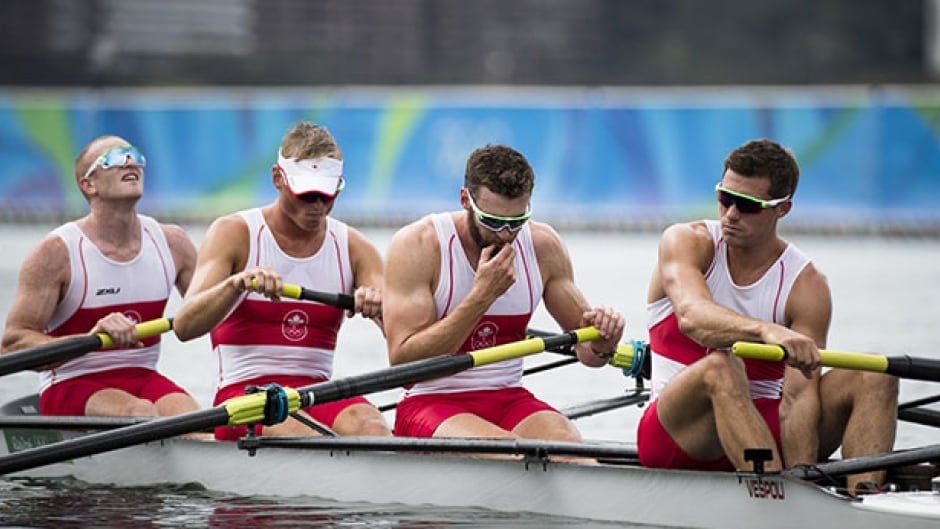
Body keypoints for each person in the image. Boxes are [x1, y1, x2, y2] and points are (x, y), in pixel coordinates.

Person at [637, 138, 898, 495]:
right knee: (722, 366)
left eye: (747, 205)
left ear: (783, 209)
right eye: (724, 198)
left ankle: (864, 500)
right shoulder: (687, 241)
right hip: (679, 436)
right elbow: (692, 317)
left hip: (766, 434)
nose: (730, 214)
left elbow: (799, 396)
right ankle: (773, 498)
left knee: (875, 373)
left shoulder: (806, 285)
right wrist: (767, 331)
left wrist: (801, 476)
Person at [383, 144, 624, 441]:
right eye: (493, 221)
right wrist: (482, 296)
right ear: (465, 200)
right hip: (431, 402)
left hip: (509, 399)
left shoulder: (543, 247)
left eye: (517, 222)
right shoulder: (418, 246)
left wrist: (604, 342)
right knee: (511, 454)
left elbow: (589, 353)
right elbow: (405, 363)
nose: (505, 235)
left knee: (574, 451)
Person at [172, 121, 391, 440]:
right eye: (307, 194)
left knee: (371, 427)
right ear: (278, 178)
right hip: (243, 398)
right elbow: (183, 327)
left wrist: (381, 309)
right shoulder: (234, 233)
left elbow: (404, 340)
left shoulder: (357, 248)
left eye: (328, 194)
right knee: (304, 433)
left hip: (317, 394)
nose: (318, 205)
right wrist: (237, 284)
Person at [1, 135, 201, 418]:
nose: (130, 162)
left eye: (134, 156)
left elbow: (213, 313)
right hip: (72, 383)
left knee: (194, 421)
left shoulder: (172, 243)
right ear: (88, 184)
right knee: (140, 411)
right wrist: (88, 338)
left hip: (143, 377)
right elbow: (12, 344)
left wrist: (243, 280)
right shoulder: (57, 252)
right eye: (116, 158)